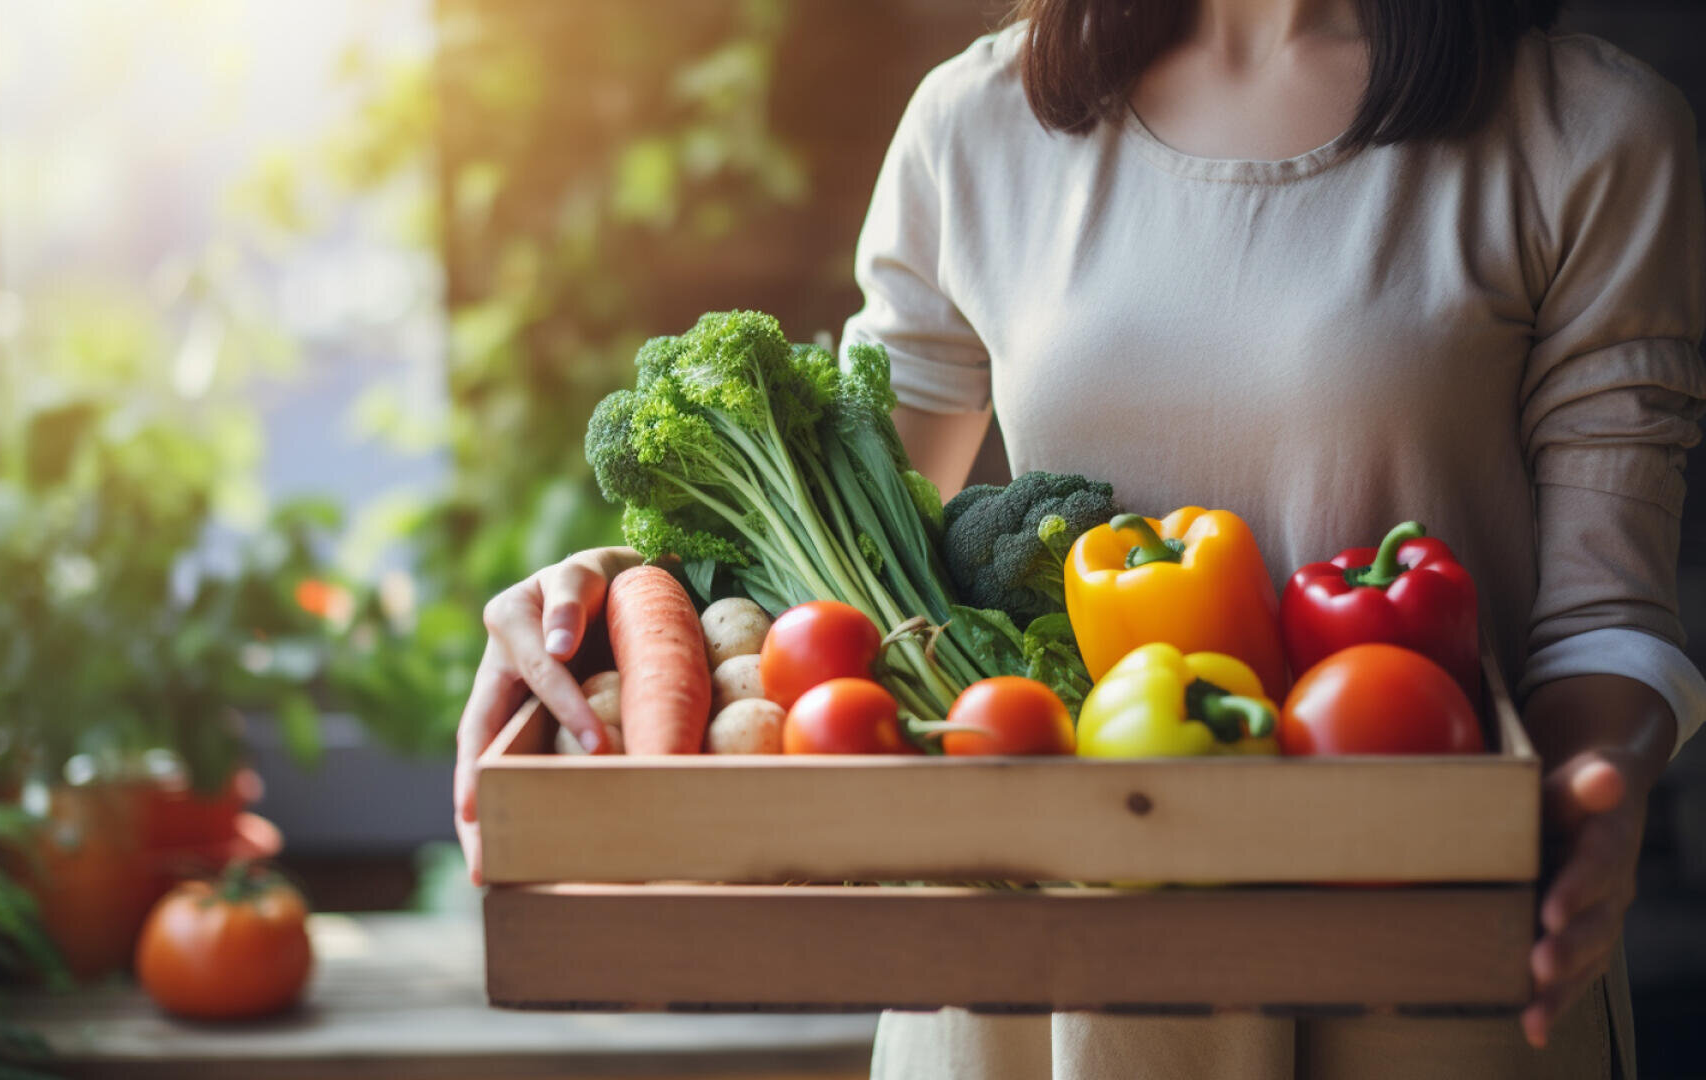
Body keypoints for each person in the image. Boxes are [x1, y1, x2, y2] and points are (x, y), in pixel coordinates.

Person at [454, 0, 1705, 1075]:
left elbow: (1605, 614)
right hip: (1027, 968)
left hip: (1414, 956)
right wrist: (626, 586)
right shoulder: (976, 126)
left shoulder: (1590, 134)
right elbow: (844, 524)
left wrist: (1597, 787)